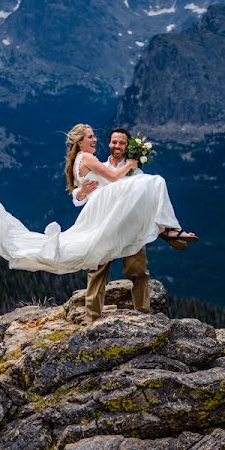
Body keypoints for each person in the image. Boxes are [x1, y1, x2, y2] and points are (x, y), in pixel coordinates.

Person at [0, 123, 197, 278]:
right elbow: (113, 179)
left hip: (115, 211)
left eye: (95, 136)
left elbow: (81, 188)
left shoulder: (79, 159)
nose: (94, 139)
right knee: (155, 181)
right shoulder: (88, 157)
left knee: (149, 184)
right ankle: (168, 229)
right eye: (90, 137)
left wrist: (83, 190)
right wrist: (131, 164)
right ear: (81, 141)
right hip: (105, 208)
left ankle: (167, 228)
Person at [71, 127, 176, 323]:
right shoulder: (99, 165)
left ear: (127, 146)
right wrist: (81, 192)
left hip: (130, 228)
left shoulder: (137, 173)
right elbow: (80, 194)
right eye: (114, 142)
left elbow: (145, 199)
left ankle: (144, 315)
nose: (117, 146)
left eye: (121, 143)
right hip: (105, 226)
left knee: (138, 271)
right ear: (109, 143)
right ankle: (92, 319)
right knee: (97, 270)